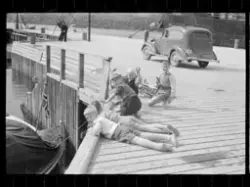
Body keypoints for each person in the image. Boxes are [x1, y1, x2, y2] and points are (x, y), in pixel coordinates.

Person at [84, 103, 177, 152]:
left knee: (138, 140)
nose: (87, 119)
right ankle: (168, 137)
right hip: (123, 125)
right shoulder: (102, 116)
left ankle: (158, 146)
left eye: (87, 117)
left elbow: (95, 132)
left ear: (90, 116)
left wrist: (92, 128)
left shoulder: (98, 121)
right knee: (144, 132)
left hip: (119, 132)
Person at [91, 100, 180, 137]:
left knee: (146, 128)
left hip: (125, 123)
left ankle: (167, 131)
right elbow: (111, 105)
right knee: (148, 125)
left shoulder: (101, 117)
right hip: (127, 117)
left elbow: (99, 128)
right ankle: (164, 126)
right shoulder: (106, 109)